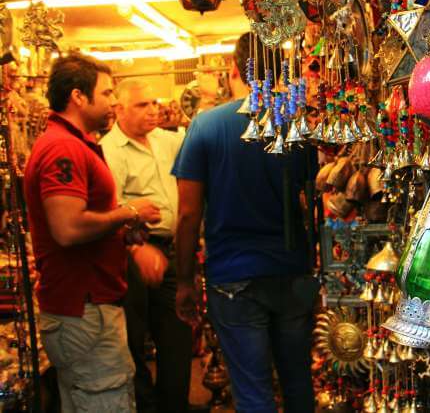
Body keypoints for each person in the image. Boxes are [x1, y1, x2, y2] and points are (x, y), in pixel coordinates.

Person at [172, 33, 319, 413]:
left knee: (254, 394)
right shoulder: (297, 127)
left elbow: (188, 214)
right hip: (292, 270)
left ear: (235, 70)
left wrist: (184, 281)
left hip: (233, 278)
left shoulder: (206, 127)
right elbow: (309, 201)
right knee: (298, 385)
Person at [24, 53, 161, 412]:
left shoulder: (74, 143)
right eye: (106, 93)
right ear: (78, 96)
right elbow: (68, 228)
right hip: (83, 309)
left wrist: (125, 235)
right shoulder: (62, 148)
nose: (114, 101)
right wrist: (128, 212)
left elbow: (86, 220)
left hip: (87, 306)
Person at [100, 79, 192, 413]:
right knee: (133, 339)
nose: (153, 110)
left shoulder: (167, 140)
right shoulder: (109, 151)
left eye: (154, 103)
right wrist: (136, 246)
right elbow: (109, 208)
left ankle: (174, 405)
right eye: (142, 105)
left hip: (171, 247)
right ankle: (146, 406)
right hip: (132, 252)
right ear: (119, 109)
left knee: (177, 337)